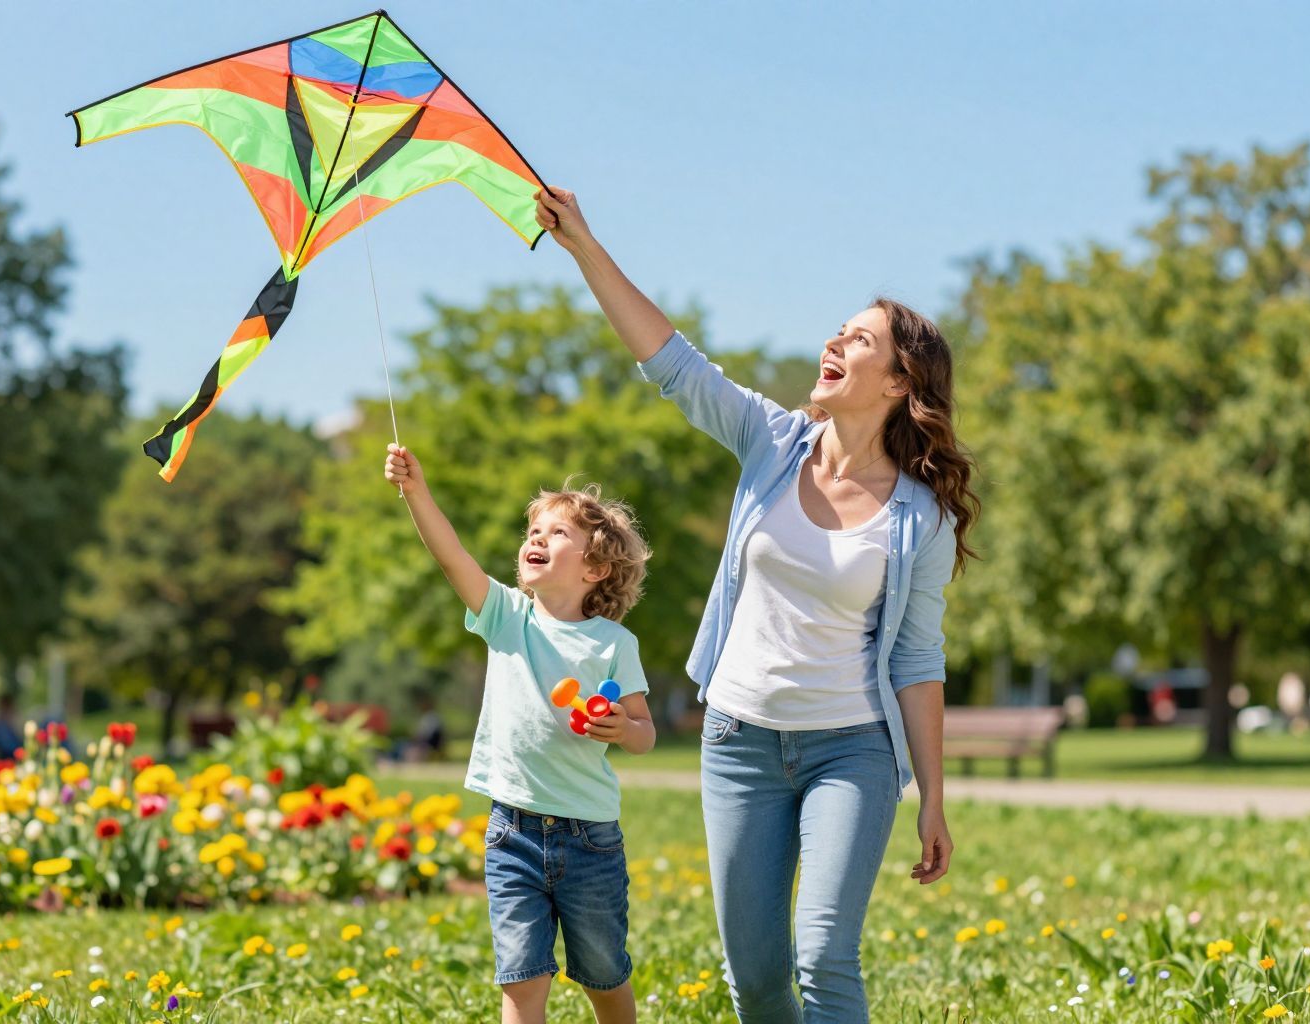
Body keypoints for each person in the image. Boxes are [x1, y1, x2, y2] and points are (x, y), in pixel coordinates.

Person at [534, 186, 980, 1023]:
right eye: (837, 330)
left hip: (851, 749)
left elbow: (918, 660)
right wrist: (584, 246)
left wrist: (934, 797)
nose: (833, 342)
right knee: (759, 980)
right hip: (738, 742)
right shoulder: (772, 443)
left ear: (898, 382)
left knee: (823, 956)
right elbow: (672, 361)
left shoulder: (921, 516)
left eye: (858, 338)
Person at [384, 443, 655, 1024]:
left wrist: (618, 727)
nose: (535, 538)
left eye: (556, 533)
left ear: (595, 568)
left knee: (604, 975)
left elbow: (645, 733)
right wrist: (415, 491)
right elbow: (451, 555)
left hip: (590, 839)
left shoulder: (614, 644)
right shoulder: (507, 616)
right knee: (522, 980)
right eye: (532, 529)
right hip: (513, 834)